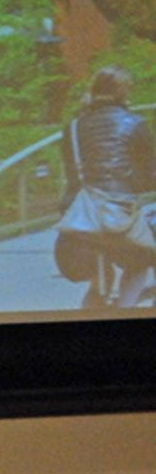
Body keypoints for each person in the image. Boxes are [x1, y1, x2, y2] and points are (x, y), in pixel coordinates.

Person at [59, 65, 156, 307]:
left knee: (98, 280)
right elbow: (150, 175)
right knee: (140, 262)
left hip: (78, 219)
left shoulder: (72, 127)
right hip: (118, 217)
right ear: (124, 92)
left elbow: (73, 172)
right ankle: (126, 313)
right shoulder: (134, 123)